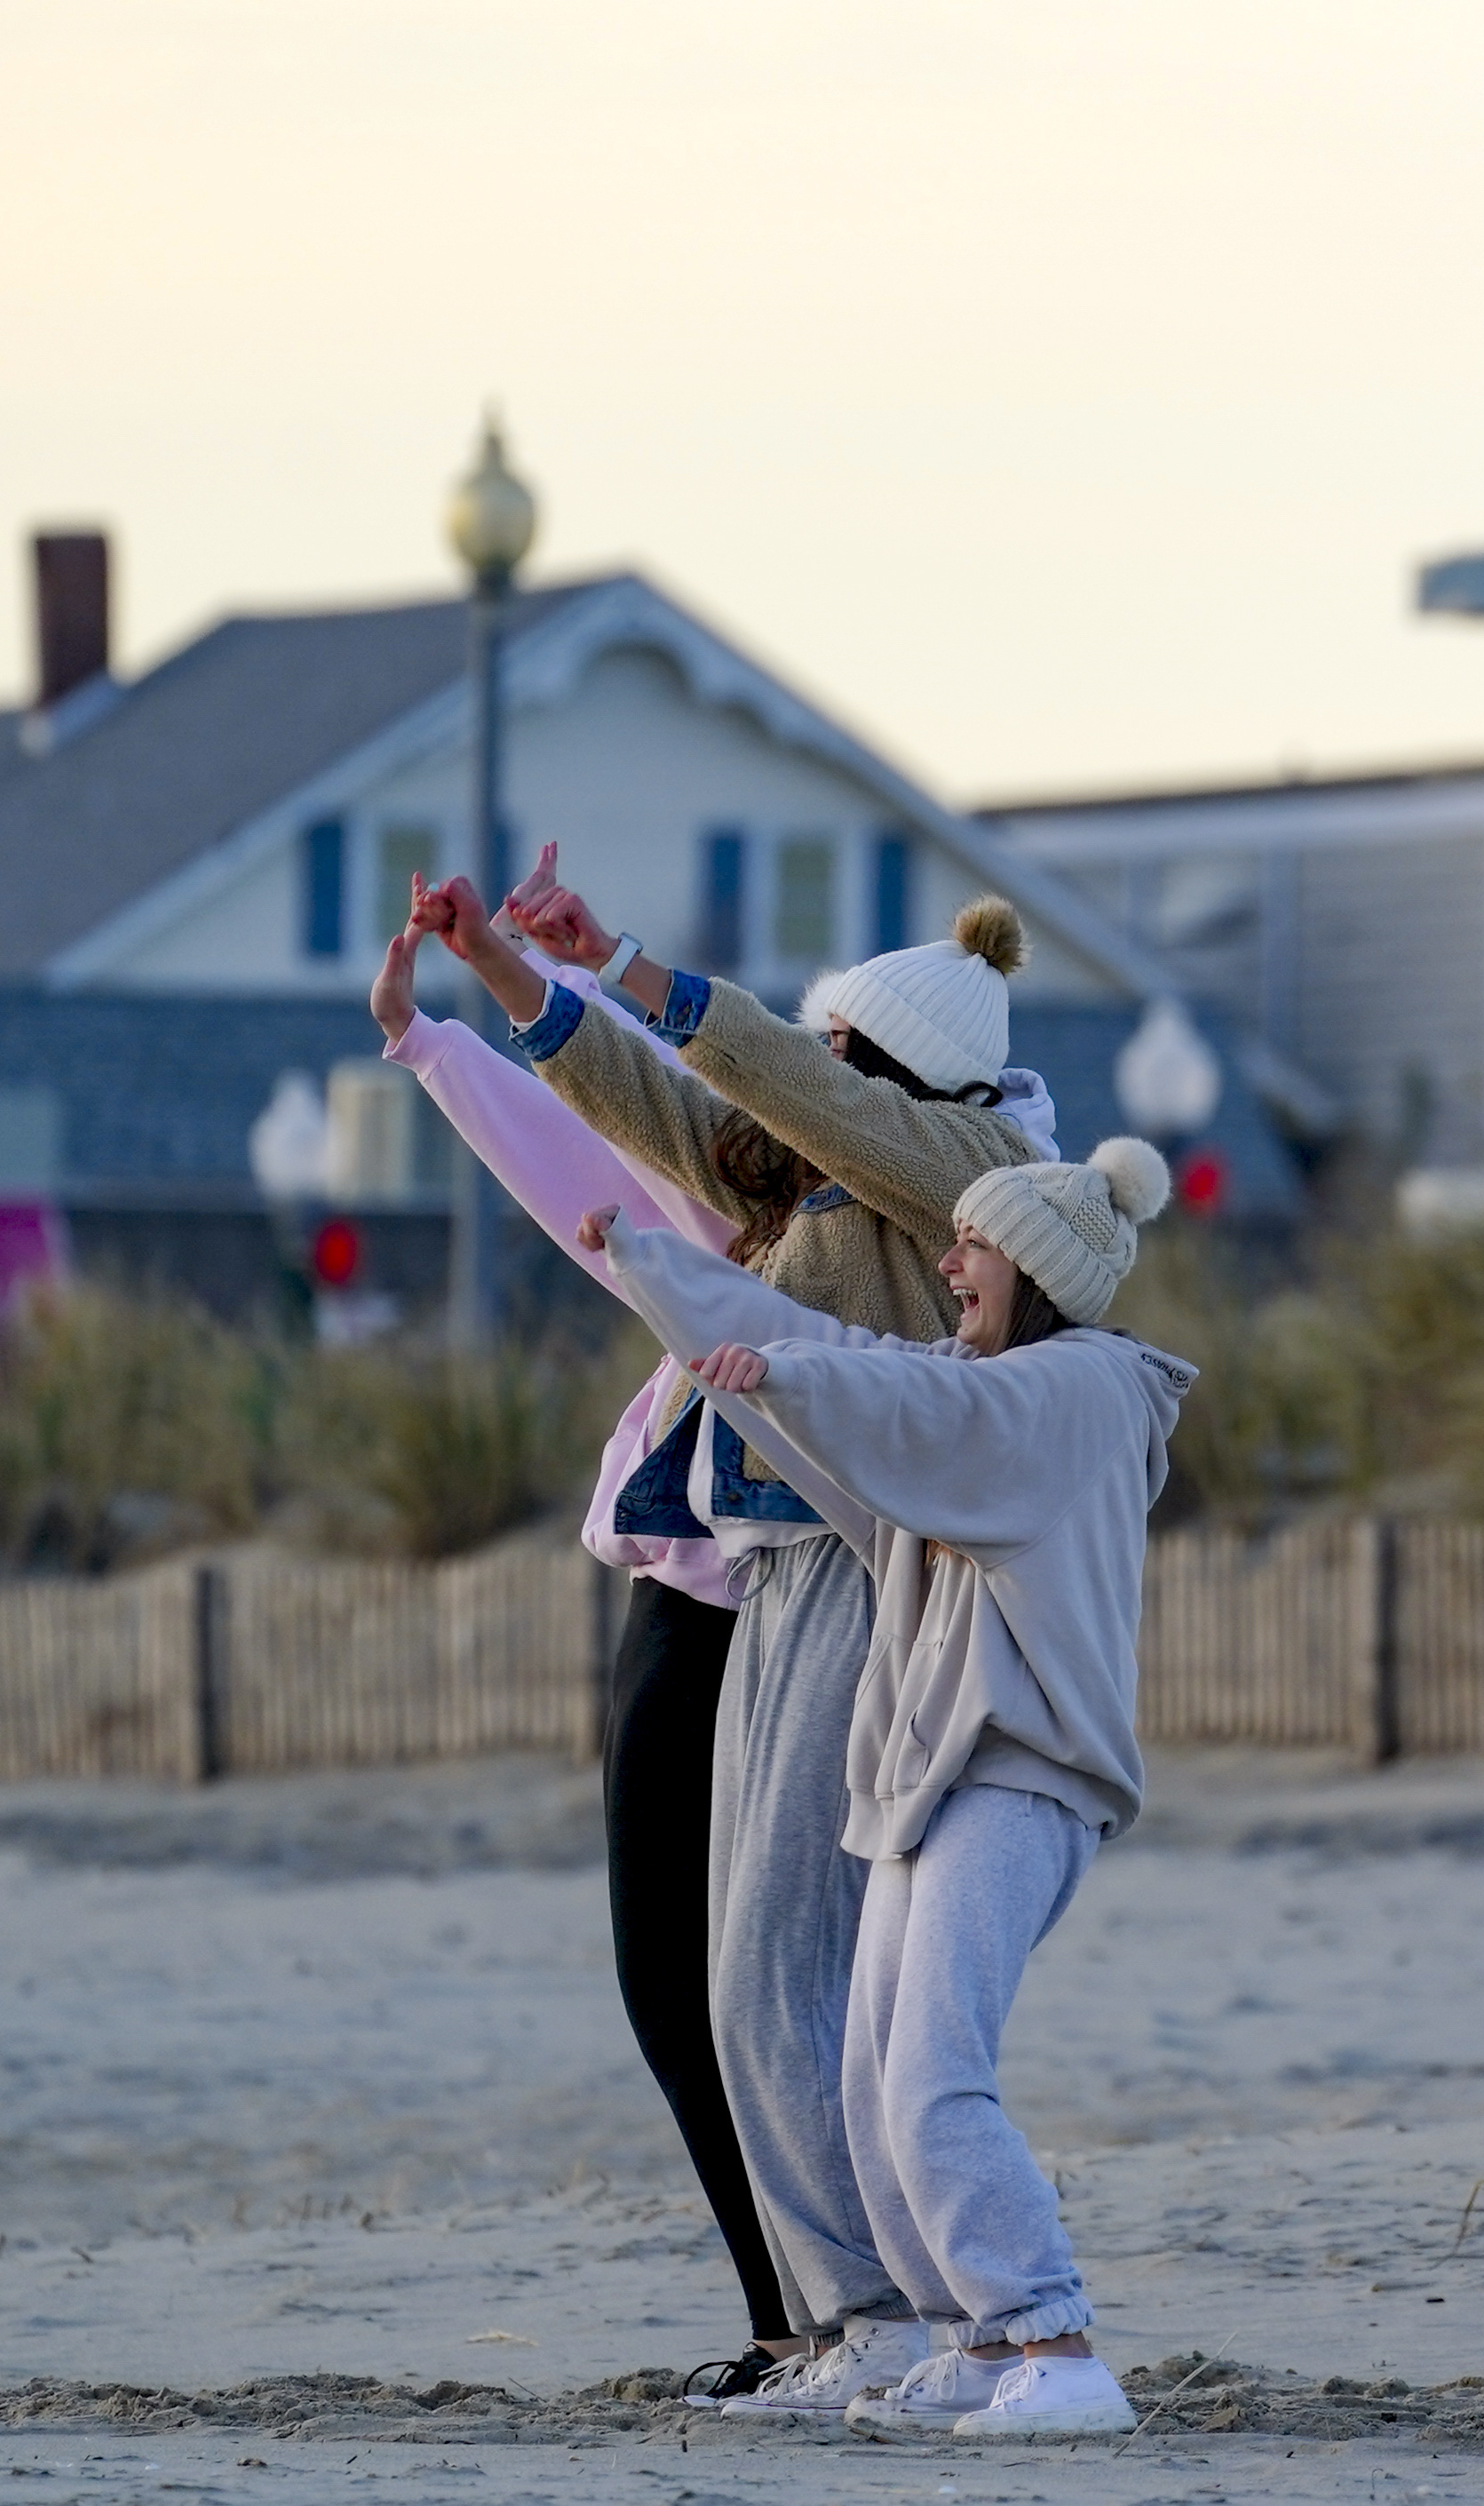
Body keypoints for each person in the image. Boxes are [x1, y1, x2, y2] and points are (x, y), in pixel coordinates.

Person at [428, 848, 1050, 2419]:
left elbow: (786, 1084)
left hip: (855, 1573)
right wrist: (520, 974)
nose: (808, 1075)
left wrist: (634, 958)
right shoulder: (823, 1172)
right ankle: (857, 2316)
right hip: (768, 1565)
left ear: (896, 1075)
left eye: (839, 1051)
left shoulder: (954, 1164)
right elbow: (652, 1112)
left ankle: (881, 2315)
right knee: (748, 1977)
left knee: (782, 1961)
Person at [577, 1128, 1187, 2446]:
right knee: (864, 2081)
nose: (948, 1259)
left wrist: (781, 1374)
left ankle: (1055, 2338)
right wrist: (657, 1275)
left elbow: (909, 1408)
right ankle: (965, 2334)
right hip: (933, 1780)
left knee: (931, 2079)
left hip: (1020, 1779)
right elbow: (858, 1365)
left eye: (972, 1243)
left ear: (1034, 1265)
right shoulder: (974, 1374)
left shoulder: (1073, 1391)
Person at [366, 888, 807, 2393]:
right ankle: (817, 2311)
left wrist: (462, 1019)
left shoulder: (852, 1201)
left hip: (722, 1611)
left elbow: (597, 1146)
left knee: (711, 1985)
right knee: (744, 1987)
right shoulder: (882, 1189)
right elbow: (601, 1134)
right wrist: (458, 1014)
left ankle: (807, 2316)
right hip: (762, 1607)